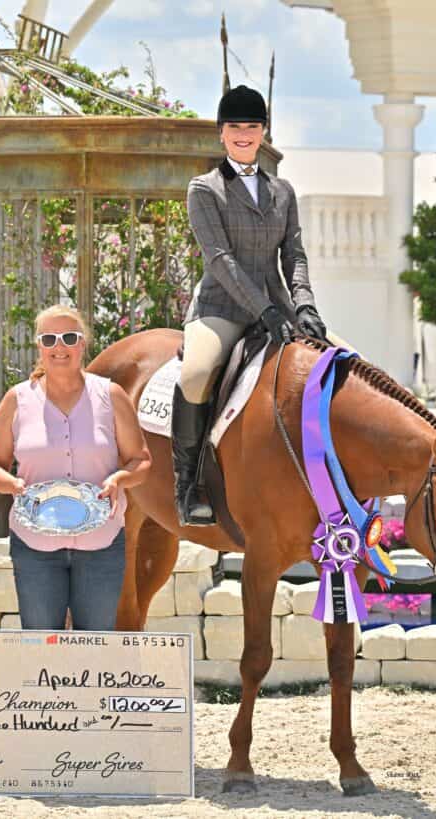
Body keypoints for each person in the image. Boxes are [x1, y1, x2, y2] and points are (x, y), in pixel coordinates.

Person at [175, 84, 328, 526]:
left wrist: (305, 306)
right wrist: (264, 311)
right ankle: (189, 485)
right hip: (222, 308)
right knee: (197, 374)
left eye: (252, 126)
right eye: (235, 127)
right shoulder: (204, 190)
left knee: (339, 360)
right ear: (222, 133)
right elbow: (220, 260)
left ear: (264, 132)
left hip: (280, 309)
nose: (244, 134)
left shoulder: (283, 192)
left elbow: (293, 255)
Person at [0, 305, 152, 631]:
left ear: (83, 344)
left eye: (69, 338)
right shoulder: (16, 400)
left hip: (101, 544)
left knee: (96, 646)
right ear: (39, 346)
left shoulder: (111, 396)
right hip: (35, 547)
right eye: (49, 339)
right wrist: (13, 485)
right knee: (41, 647)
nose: (59, 347)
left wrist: (121, 477)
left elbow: (141, 460)